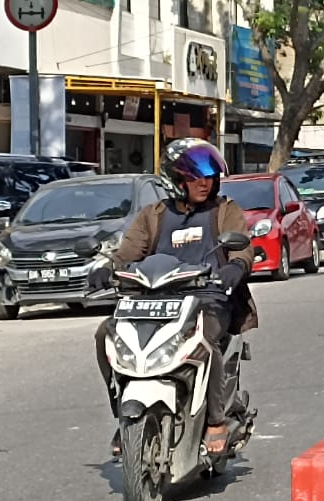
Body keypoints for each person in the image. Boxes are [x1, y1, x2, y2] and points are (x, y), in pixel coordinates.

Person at [90, 138, 255, 456]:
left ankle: (216, 421)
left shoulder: (225, 211)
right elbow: (125, 254)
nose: (204, 183)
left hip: (207, 299)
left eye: (208, 176)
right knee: (105, 335)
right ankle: (123, 412)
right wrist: (105, 267)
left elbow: (242, 248)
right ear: (175, 180)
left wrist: (236, 265)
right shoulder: (152, 215)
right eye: (195, 177)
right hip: (153, 301)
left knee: (204, 339)